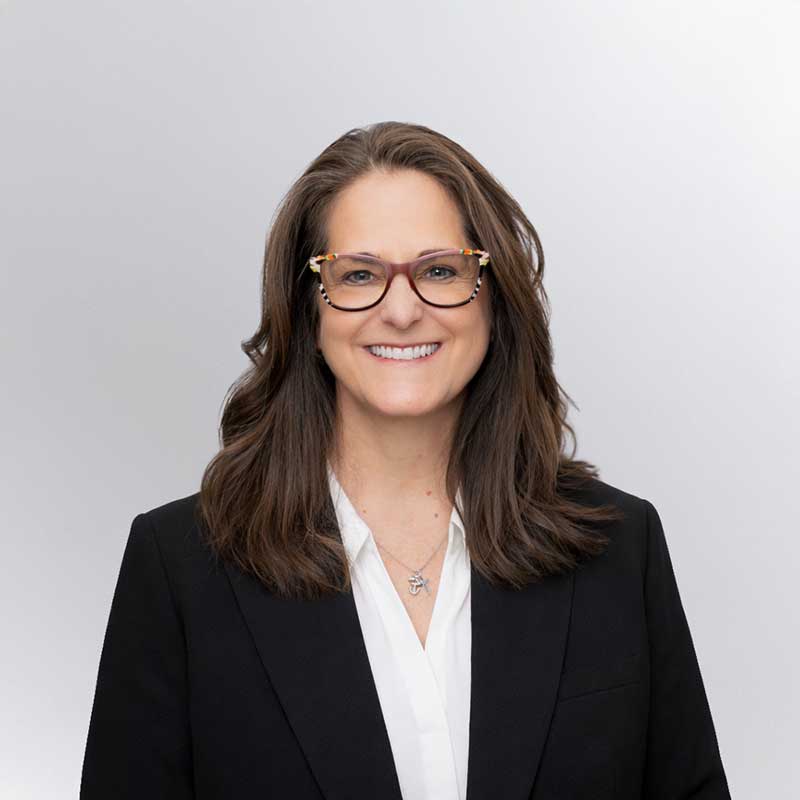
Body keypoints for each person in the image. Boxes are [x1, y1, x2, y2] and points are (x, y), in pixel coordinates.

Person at [80, 121, 731, 799]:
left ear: (494, 298)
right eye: (358, 275)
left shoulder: (620, 548)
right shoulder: (180, 570)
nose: (401, 311)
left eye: (440, 270)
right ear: (308, 310)